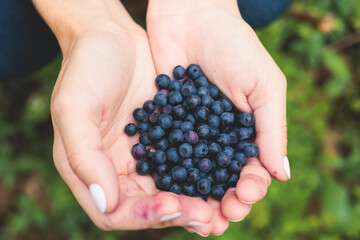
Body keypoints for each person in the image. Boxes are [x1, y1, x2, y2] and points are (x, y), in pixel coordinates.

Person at [1, 0, 292, 236]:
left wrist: (203, 6)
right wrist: (90, 22)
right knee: (10, 46)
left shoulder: (197, 130)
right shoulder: (175, 128)